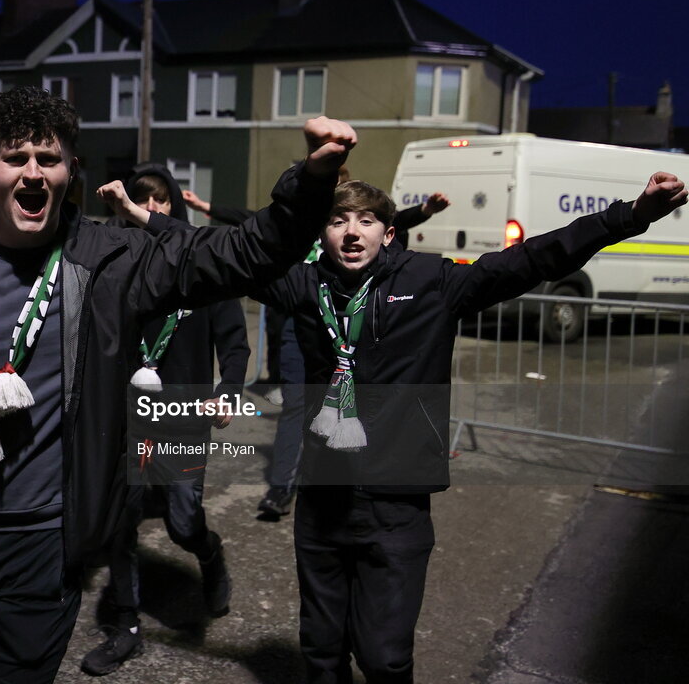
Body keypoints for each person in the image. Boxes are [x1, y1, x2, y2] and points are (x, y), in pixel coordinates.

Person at [0, 85, 357, 684]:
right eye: (15, 157)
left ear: (70, 170)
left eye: (48, 159)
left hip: (45, 537)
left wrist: (308, 185)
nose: (32, 173)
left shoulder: (113, 260)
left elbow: (240, 254)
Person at [131, 171, 685, 684]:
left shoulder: (432, 282)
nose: (351, 233)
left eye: (365, 221)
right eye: (338, 220)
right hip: (324, 499)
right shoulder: (301, 286)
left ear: (388, 233)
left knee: (384, 656)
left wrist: (631, 215)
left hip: (396, 504)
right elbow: (226, 255)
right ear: (320, 233)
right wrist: (151, 220)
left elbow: (535, 259)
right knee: (321, 651)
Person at [182, 186, 451, 521]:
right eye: (337, 220)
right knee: (298, 405)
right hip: (306, 321)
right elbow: (246, 223)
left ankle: (362, 489)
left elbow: (386, 220)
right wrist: (201, 210)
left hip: (352, 325)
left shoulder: (366, 233)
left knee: (353, 403)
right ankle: (282, 487)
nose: (349, 230)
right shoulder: (303, 225)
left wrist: (424, 211)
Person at [80, 164, 249, 675]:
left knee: (180, 522)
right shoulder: (120, 263)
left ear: (173, 206)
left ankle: (209, 552)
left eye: (161, 202)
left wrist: (229, 392)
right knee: (121, 521)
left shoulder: (204, 265)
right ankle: (127, 623)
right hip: (128, 414)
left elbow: (235, 344)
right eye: (141, 201)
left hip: (183, 412)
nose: (151, 210)